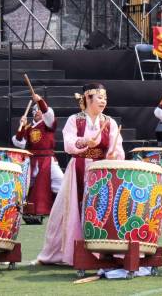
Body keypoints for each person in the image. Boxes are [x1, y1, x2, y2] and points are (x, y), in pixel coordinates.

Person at [37, 83, 124, 265]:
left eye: (105, 98)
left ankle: (103, 251)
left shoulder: (109, 122)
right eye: (99, 98)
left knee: (100, 210)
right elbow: (69, 143)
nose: (103, 101)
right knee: (69, 211)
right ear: (87, 99)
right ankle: (69, 252)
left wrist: (113, 154)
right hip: (78, 168)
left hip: (101, 171)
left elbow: (116, 146)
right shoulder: (75, 120)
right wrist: (84, 141)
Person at [12, 93, 64, 224]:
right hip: (32, 161)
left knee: (61, 183)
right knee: (27, 185)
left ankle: (64, 210)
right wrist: (22, 127)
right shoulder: (29, 128)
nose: (37, 112)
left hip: (48, 160)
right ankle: (27, 211)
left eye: (39, 110)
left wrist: (40, 100)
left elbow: (49, 114)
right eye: (34, 111)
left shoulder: (48, 124)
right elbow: (20, 143)